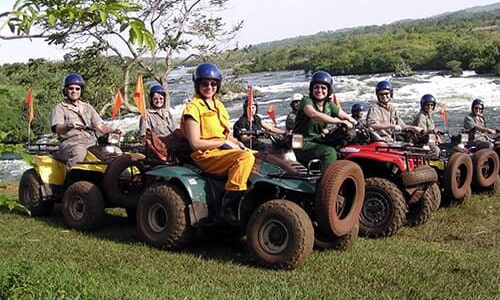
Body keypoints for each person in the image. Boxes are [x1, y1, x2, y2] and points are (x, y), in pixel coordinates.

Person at [180, 63, 255, 224]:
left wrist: (238, 143)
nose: (209, 87)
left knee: (259, 155)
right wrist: (222, 143)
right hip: (205, 155)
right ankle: (228, 207)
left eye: (213, 84)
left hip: (221, 151)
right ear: (198, 85)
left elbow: (226, 134)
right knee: (244, 158)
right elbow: (195, 143)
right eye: (205, 83)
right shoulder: (192, 108)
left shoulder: (219, 105)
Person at [293, 70, 357, 168]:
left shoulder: (329, 105)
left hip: (316, 140)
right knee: (329, 153)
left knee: (342, 148)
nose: (319, 90)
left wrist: (354, 122)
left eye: (323, 88)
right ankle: (327, 182)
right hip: (299, 141)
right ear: (312, 89)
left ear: (328, 90)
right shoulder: (306, 100)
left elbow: (343, 115)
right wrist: (339, 121)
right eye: (316, 87)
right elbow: (313, 114)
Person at [51, 73, 114, 167]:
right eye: (71, 88)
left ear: (81, 91)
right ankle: (72, 179)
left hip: (91, 142)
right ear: (65, 90)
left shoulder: (87, 107)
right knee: (79, 152)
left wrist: (114, 131)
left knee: (111, 152)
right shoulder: (59, 108)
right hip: (70, 143)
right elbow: (58, 128)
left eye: (77, 89)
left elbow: (100, 126)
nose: (74, 91)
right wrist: (69, 126)